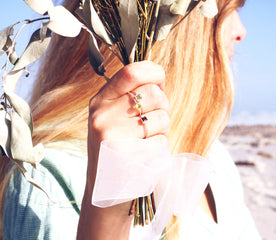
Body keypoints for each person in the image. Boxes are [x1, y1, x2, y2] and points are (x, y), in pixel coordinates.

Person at [0, 0, 261, 239]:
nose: (241, 32)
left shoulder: (212, 157)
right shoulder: (50, 178)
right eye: (228, 12)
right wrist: (107, 212)